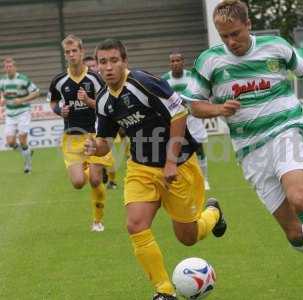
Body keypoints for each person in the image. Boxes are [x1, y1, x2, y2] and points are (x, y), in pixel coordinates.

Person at [181, 1, 303, 299]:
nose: (231, 41)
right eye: (224, 36)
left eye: (236, 33)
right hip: (249, 150)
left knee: (300, 198)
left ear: (249, 25)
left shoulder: (276, 47)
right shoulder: (209, 61)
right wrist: (218, 108)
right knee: (294, 235)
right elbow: (193, 105)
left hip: (285, 130)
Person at [84, 39, 227, 300]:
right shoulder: (104, 99)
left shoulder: (143, 83)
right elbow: (105, 141)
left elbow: (179, 114)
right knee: (135, 224)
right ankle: (164, 290)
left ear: (124, 62)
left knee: (188, 237)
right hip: (140, 168)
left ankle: (213, 213)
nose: (108, 67)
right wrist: (95, 147)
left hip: (179, 165)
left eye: (114, 60)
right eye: (103, 62)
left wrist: (171, 161)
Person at [48, 34, 113, 232]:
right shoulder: (59, 81)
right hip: (71, 139)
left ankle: (97, 220)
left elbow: (106, 105)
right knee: (77, 183)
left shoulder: (94, 78)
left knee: (94, 180)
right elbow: (53, 102)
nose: (71, 55)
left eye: (74, 50)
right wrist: (60, 111)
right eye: (67, 52)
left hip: (95, 135)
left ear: (82, 52)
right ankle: (92, 168)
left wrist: (88, 102)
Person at [162, 51, 211, 190]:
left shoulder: (191, 77)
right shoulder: (164, 80)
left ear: (183, 62)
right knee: (175, 149)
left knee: (199, 148)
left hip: (193, 119)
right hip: (175, 121)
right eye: (172, 61)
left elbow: (200, 94)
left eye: (178, 60)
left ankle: (204, 180)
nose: (175, 63)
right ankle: (179, 180)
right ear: (169, 63)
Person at [83, 54, 119, 189]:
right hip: (89, 127)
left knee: (109, 153)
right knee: (100, 156)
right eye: (89, 67)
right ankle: (104, 175)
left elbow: (104, 105)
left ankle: (112, 180)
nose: (92, 68)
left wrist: (87, 101)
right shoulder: (82, 83)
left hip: (106, 124)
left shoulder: (105, 81)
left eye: (94, 65)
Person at [0, 57, 39, 173]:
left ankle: (28, 165)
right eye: (6, 67)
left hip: (23, 112)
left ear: (15, 67)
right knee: (10, 142)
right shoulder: (2, 80)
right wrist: (2, 98)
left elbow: (36, 92)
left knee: (22, 140)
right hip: (10, 114)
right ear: (4, 68)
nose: (8, 69)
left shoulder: (23, 79)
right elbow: (1, 92)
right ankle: (27, 152)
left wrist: (22, 100)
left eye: (10, 66)